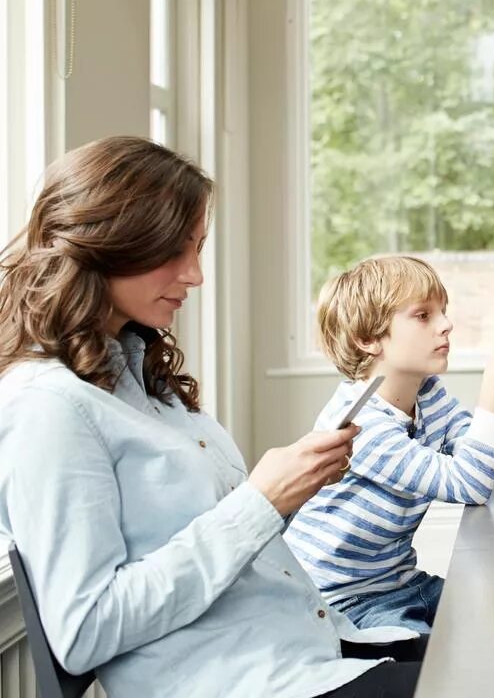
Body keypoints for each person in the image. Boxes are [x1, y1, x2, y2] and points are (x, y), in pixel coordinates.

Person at [0, 137, 424, 697]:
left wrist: (292, 492)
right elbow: (84, 631)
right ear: (110, 241)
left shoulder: (137, 374)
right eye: (177, 250)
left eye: (198, 248)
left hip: (307, 656)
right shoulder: (47, 408)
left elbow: (215, 541)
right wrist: (261, 501)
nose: (196, 275)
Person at [284, 256, 494, 633]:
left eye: (442, 312)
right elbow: (471, 484)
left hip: (403, 583)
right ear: (367, 340)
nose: (446, 325)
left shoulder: (429, 396)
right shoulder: (361, 424)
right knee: (450, 664)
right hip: (343, 601)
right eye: (423, 315)